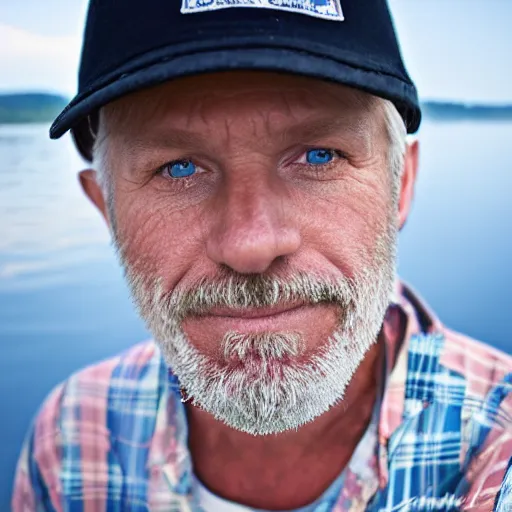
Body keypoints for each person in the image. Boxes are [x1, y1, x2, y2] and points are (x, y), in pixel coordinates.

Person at [12, 0, 512, 510]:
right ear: (106, 208)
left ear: (399, 185)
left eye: (320, 156)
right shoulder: (71, 437)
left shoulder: (500, 445)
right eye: (179, 168)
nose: (251, 246)